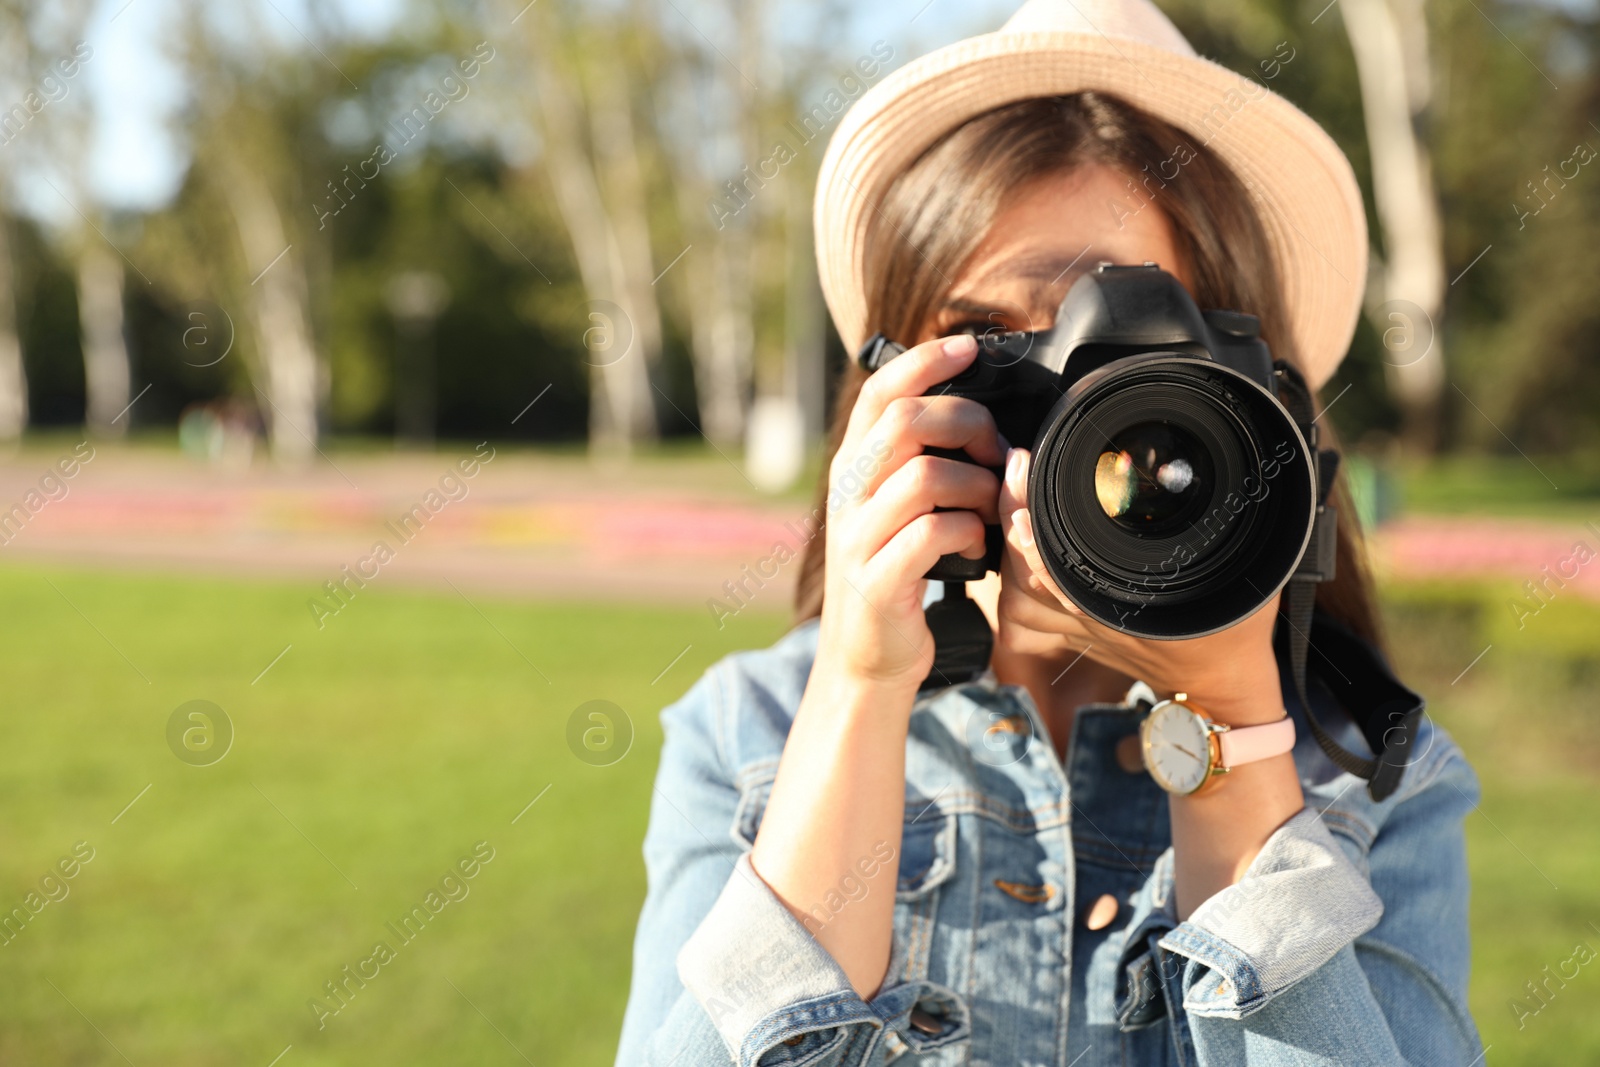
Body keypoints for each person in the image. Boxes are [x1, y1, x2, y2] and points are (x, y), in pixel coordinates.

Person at [616, 0, 1482, 1063]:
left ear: (1263, 413)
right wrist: (855, 688)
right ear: (890, 400)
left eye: (1129, 365)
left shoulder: (1367, 777)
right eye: (995, 343)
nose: (1082, 422)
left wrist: (1229, 729)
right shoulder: (748, 736)